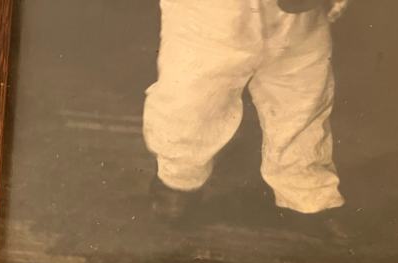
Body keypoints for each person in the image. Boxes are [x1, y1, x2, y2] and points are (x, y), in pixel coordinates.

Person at [143, 0, 351, 223]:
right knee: (193, 99)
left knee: (301, 97)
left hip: (295, 17)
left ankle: (305, 189)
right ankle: (178, 178)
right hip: (212, 17)